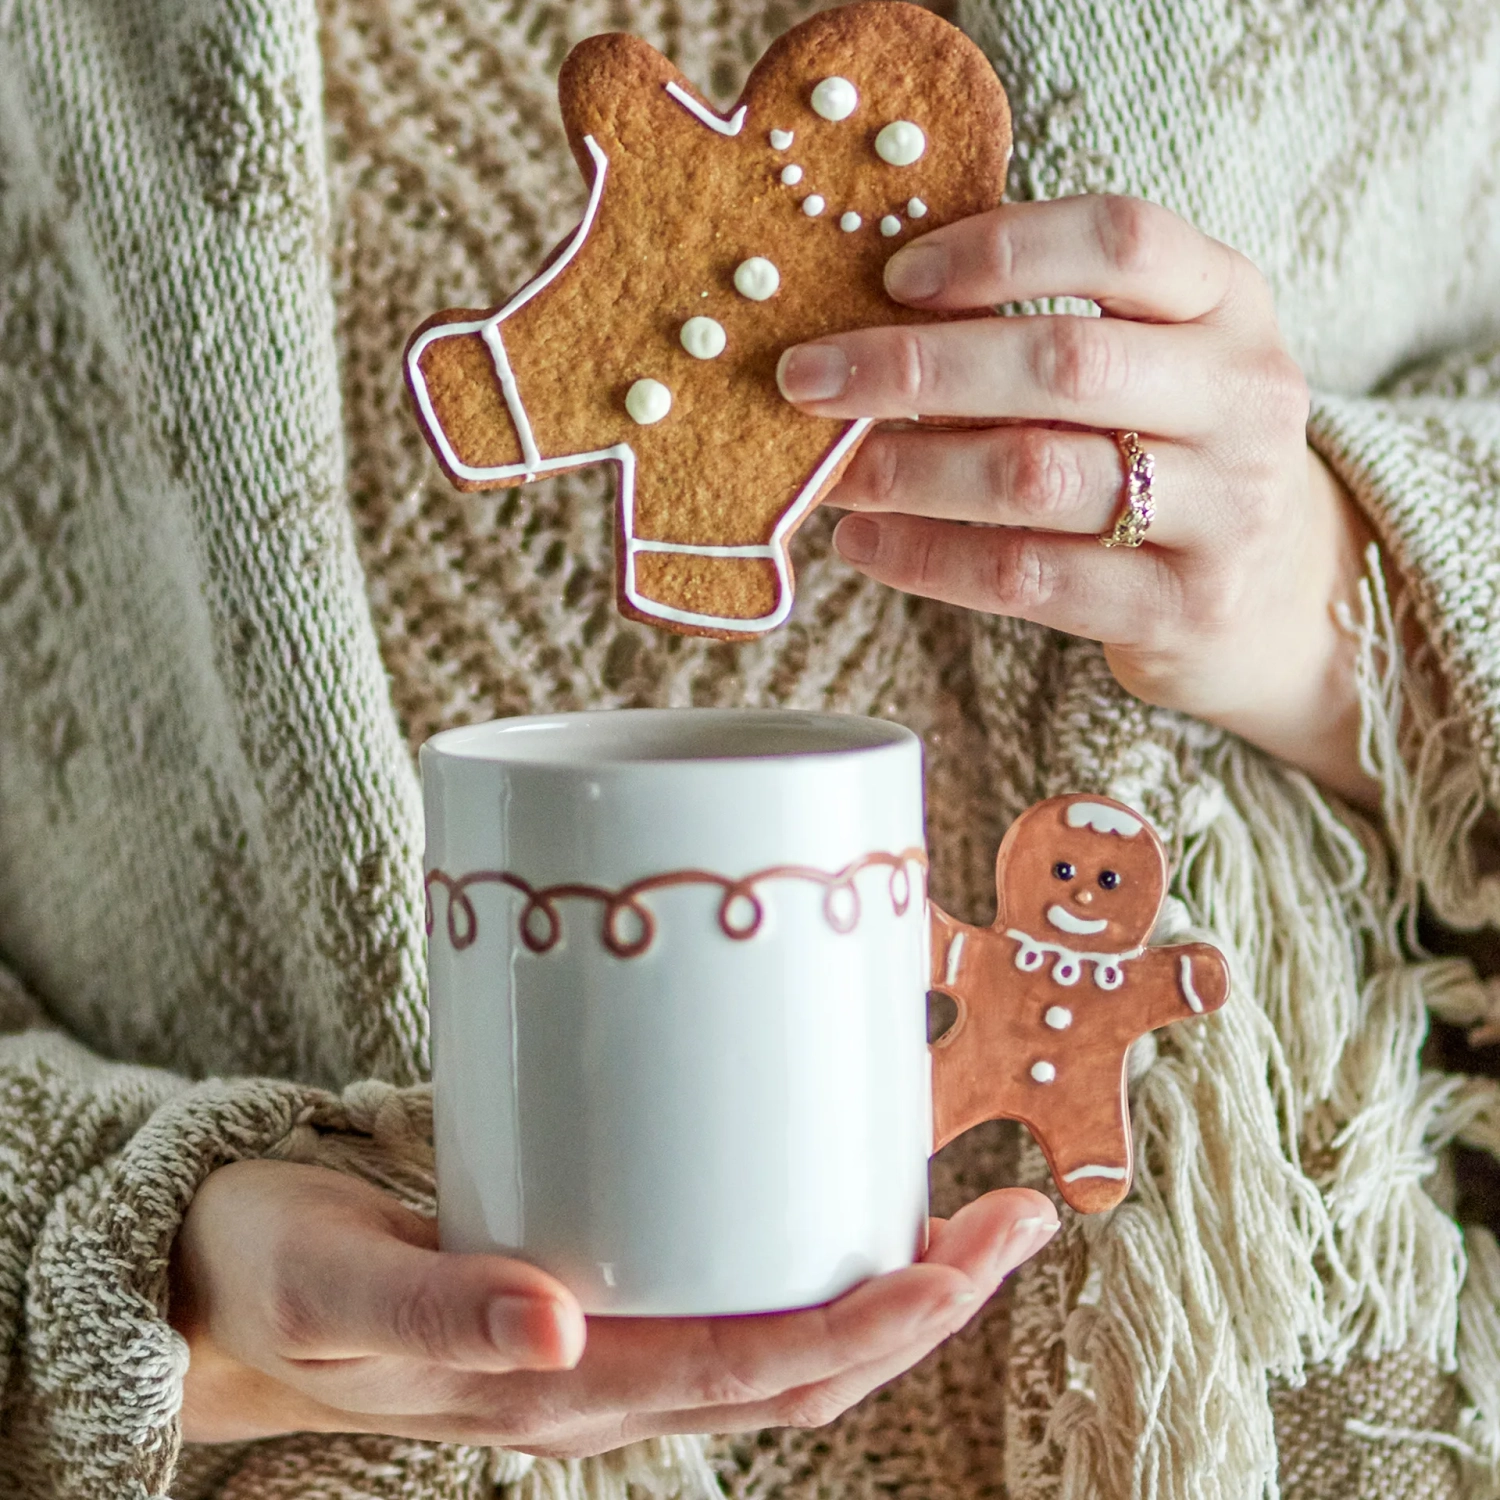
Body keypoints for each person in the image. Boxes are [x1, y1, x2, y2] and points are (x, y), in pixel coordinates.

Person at [1, 0, 1497, 1497]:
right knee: (580, 362)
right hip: (330, 1440)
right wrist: (140, 1261)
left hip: (1241, 1380)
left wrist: (1336, 590)